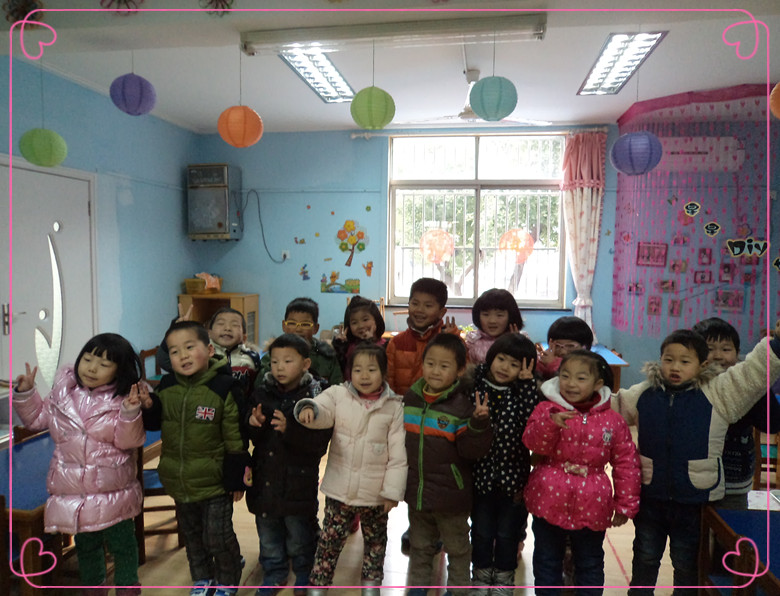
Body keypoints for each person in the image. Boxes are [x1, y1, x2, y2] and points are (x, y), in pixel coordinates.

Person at [613, 327, 780, 594]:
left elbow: (753, 373)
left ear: (702, 365)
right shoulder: (645, 393)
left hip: (694, 501)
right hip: (651, 497)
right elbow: (612, 407)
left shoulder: (718, 393)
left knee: (686, 565)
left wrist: (777, 344)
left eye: (685, 361)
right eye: (668, 359)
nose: (675, 367)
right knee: (644, 558)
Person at [12, 333, 147, 596]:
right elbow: (37, 419)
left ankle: (127, 590)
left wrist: (130, 412)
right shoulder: (63, 394)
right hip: (75, 493)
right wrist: (27, 393)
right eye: (87, 359)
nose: (92, 368)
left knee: (123, 547)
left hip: (113, 493)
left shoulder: (122, 399)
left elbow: (128, 441)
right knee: (86, 549)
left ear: (119, 370)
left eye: (104, 364)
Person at [139, 321, 250, 596]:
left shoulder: (224, 387)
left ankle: (227, 579)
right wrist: (149, 405)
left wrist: (236, 478)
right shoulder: (166, 385)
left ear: (210, 350)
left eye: (190, 347)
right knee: (193, 536)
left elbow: (235, 437)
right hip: (180, 479)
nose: (183, 356)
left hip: (216, 481)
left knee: (217, 536)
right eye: (175, 351)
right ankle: (202, 578)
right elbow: (154, 424)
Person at [523, 349, 640, 596]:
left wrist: (625, 504)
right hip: (548, 498)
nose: (571, 383)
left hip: (593, 503)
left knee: (590, 562)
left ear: (598, 384)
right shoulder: (546, 409)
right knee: (546, 560)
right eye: (565, 376)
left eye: (581, 378)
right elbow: (532, 444)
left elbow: (626, 463)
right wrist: (550, 425)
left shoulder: (613, 420)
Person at [294, 343, 406, 596]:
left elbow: (398, 455)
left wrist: (392, 491)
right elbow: (322, 408)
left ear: (384, 373)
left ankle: (371, 586)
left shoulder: (394, 406)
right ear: (349, 372)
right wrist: (309, 408)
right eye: (357, 370)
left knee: (376, 544)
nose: (364, 376)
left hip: (376, 495)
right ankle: (318, 585)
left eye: (371, 370)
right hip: (340, 490)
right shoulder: (338, 394)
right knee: (329, 542)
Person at [403, 333, 493, 596]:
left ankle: (457, 591)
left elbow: (471, 451)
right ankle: (417, 589)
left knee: (457, 548)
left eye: (444, 366)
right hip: (417, 493)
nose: (435, 371)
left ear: (460, 370)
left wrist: (478, 424)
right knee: (420, 547)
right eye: (430, 363)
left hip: (451, 498)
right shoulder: (411, 398)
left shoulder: (462, 407)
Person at [245, 333, 332, 596]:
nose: (279, 367)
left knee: (298, 531)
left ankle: (304, 570)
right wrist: (253, 423)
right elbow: (252, 433)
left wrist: (290, 430)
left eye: (287, 361)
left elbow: (319, 443)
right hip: (265, 477)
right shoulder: (262, 391)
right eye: (274, 362)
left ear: (305, 364)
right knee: (268, 531)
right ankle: (274, 571)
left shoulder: (316, 396)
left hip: (298, 481)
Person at [470, 333, 542, 596]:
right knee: (481, 532)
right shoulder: (477, 385)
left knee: (508, 534)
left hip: (514, 481)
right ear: (491, 358)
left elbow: (533, 424)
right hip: (481, 478)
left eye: (514, 364)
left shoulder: (525, 392)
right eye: (501, 359)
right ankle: (480, 576)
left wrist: (527, 386)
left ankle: (503, 578)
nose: (505, 367)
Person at [691, 317, 780, 508]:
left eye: (726, 349)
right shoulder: (688, 387)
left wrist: (758, 388)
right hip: (695, 482)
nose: (718, 356)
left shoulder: (745, 386)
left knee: (730, 524)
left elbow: (772, 423)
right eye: (709, 349)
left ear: (737, 353)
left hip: (734, 482)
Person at [156, 304, 261, 400]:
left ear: (244, 337)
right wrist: (177, 332)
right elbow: (164, 361)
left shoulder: (252, 358)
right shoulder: (201, 353)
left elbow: (257, 387)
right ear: (209, 333)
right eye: (221, 323)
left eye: (235, 325)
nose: (227, 328)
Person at [386, 277, 459, 396]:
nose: (420, 310)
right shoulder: (396, 342)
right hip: (401, 405)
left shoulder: (450, 342)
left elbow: (461, 378)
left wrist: (453, 340)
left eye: (428, 306)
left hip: (440, 406)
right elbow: (388, 382)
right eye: (415, 303)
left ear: (441, 312)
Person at [257, 297, 343, 386]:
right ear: (284, 326)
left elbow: (337, 389)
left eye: (305, 324)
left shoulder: (326, 356)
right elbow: (259, 386)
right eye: (292, 323)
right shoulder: (272, 356)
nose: (298, 329)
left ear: (315, 328)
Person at [332, 295, 388, 380]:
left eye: (365, 320)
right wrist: (340, 347)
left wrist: (369, 342)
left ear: (376, 320)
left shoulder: (386, 346)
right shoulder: (349, 347)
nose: (361, 326)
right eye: (354, 322)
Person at [464, 288, 524, 363]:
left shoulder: (523, 342)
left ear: (511, 316)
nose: (492, 321)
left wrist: (517, 345)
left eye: (499, 315)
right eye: (486, 315)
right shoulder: (472, 342)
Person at [535, 316, 594, 381]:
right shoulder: (548, 359)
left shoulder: (591, 365)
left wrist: (552, 365)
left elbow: (568, 382)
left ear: (585, 347)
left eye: (570, 346)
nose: (563, 352)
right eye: (557, 346)